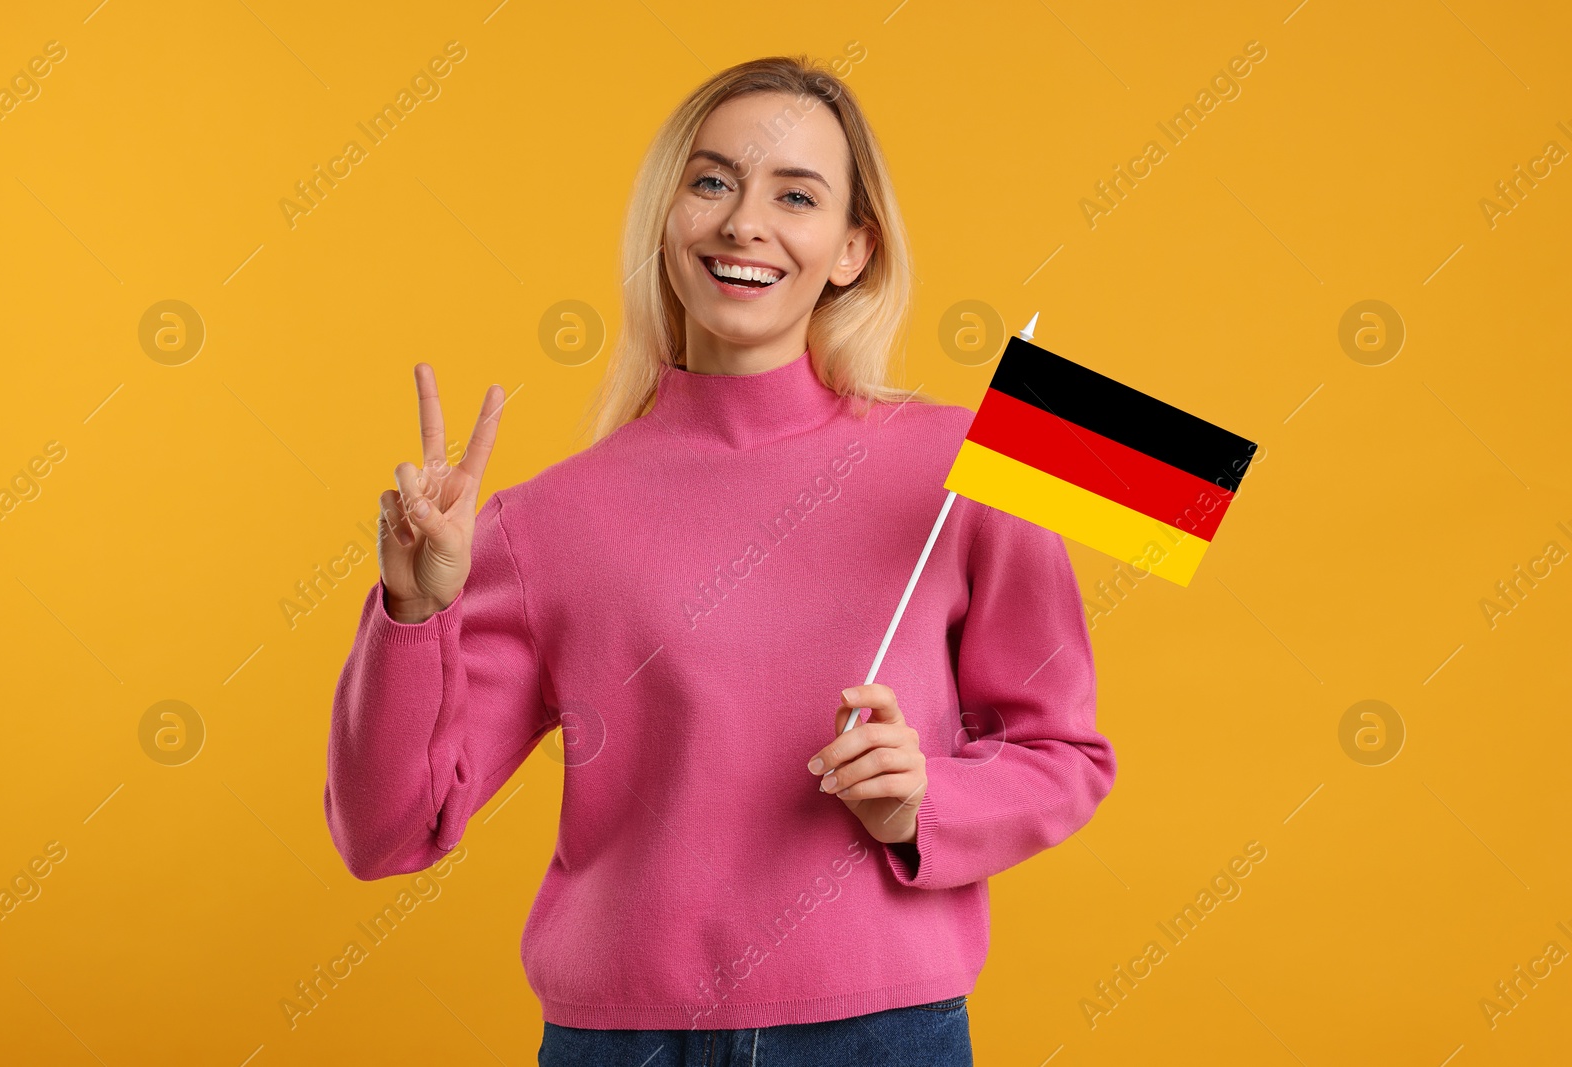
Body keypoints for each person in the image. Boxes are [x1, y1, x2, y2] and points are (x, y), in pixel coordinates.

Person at [323, 54, 1116, 1067]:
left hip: (883, 1035)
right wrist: (408, 611)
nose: (746, 221)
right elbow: (386, 832)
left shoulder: (963, 471)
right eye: (712, 182)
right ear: (667, 220)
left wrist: (927, 802)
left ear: (850, 249)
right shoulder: (545, 521)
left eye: (796, 194)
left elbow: (1065, 752)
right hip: (623, 1039)